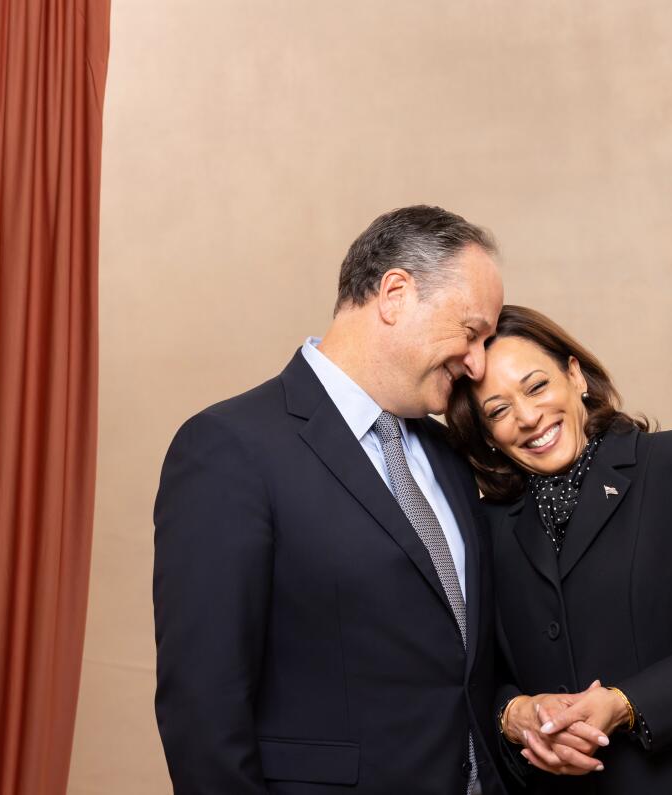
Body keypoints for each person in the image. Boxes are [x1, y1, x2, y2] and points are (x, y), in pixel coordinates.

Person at [153, 206, 549, 794]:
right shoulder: (231, 448)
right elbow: (203, 704)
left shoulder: (449, 454)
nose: (478, 362)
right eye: (472, 333)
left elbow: (466, 663)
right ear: (395, 294)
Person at [445, 305, 672, 794]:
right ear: (487, 434)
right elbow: (480, 679)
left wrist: (627, 702)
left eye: (536, 387)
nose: (528, 417)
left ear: (575, 374)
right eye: (498, 410)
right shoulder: (486, 527)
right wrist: (517, 715)